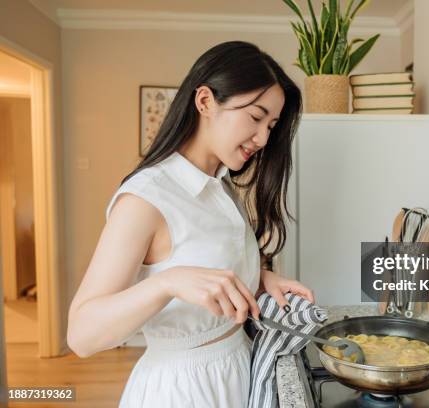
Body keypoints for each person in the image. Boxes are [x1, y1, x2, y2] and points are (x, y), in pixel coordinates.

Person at [67, 41, 315, 408]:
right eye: (256, 117)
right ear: (205, 102)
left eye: (272, 125)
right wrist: (169, 282)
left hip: (235, 368)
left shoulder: (221, 184)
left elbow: (205, 259)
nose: (263, 138)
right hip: (183, 390)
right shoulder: (146, 199)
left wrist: (258, 279)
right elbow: (82, 335)